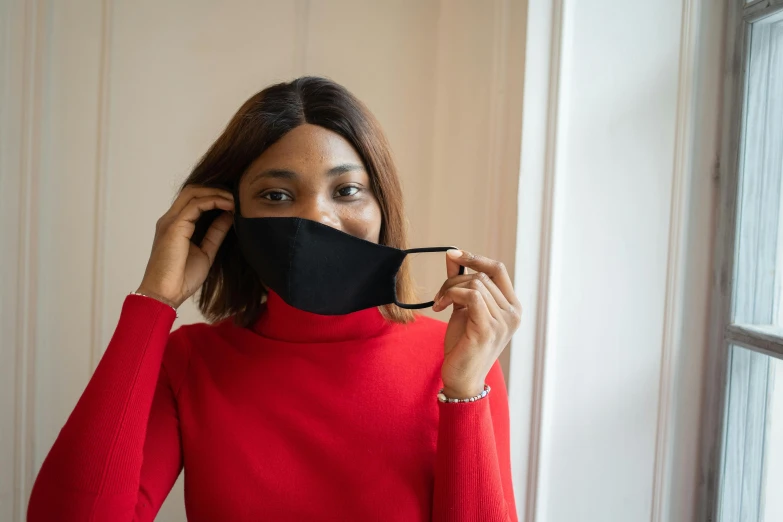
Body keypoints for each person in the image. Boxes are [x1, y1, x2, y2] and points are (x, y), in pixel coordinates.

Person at [27, 76, 521, 521]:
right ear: (230, 217)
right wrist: (153, 301)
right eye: (277, 196)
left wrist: (463, 391)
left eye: (346, 190)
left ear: (382, 209)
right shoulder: (193, 363)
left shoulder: (458, 361)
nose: (317, 219)